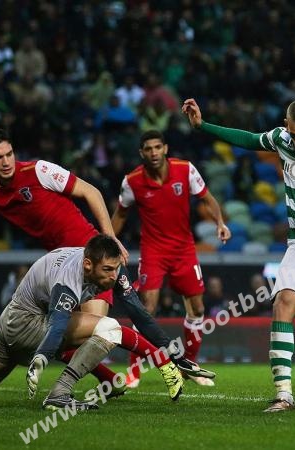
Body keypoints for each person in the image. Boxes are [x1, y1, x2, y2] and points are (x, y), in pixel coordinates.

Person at [0, 128, 212, 396]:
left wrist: (110, 240)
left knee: (99, 331)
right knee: (78, 334)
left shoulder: (39, 170)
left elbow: (90, 191)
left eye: (9, 154)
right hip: (60, 268)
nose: (6, 161)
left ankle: (113, 379)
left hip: (91, 259)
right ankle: (105, 381)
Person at [182, 98, 295, 411]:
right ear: (286, 127)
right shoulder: (281, 139)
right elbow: (248, 139)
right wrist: (202, 126)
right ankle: (284, 395)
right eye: (294, 135)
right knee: (282, 304)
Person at [0, 235, 183, 410]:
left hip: (12, 321)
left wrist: (172, 354)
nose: (114, 276)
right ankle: (59, 395)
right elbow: (58, 326)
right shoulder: (69, 280)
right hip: (26, 324)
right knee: (108, 327)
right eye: (108, 270)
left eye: (116, 269)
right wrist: (41, 356)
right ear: (88, 265)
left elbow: (139, 314)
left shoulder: (100, 264)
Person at [111, 130, 231, 387]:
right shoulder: (132, 181)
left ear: (165, 148)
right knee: (146, 307)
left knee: (197, 309)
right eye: (148, 149)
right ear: (141, 153)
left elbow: (207, 198)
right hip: (153, 251)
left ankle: (190, 368)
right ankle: (134, 370)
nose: (153, 152)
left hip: (184, 250)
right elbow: (120, 214)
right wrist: (109, 241)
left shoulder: (186, 170)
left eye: (157, 147)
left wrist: (220, 222)